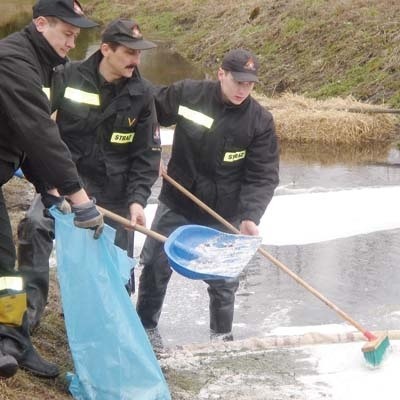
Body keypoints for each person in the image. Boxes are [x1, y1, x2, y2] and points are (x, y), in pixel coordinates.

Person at [17, 17, 161, 338]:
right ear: (106, 49)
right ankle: (26, 320)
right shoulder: (66, 76)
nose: (136, 60)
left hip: (116, 194)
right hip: (66, 186)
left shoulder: (142, 96)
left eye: (139, 54)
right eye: (129, 52)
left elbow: (146, 156)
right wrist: (48, 181)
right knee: (34, 227)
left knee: (117, 272)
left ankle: (113, 333)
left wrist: (138, 201)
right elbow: (36, 126)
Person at [136, 49, 280, 345]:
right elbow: (144, 107)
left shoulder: (259, 122)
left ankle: (221, 337)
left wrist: (251, 216)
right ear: (221, 74)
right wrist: (150, 151)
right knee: (154, 266)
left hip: (225, 212)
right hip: (177, 202)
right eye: (238, 81)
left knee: (224, 280)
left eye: (249, 84)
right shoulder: (189, 94)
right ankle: (144, 329)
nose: (243, 89)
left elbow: (262, 175)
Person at [0, 0, 103, 379]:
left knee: (6, 268)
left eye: (77, 37)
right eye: (67, 33)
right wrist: (79, 198)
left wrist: (49, 191)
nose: (72, 44)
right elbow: (39, 131)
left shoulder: (47, 65)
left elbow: (24, 137)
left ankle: (12, 341)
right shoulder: (12, 59)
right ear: (41, 24)